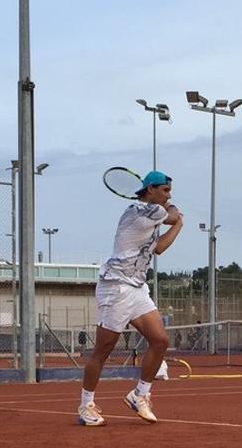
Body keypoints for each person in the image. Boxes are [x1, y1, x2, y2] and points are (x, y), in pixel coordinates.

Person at [78, 170, 183, 426]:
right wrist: (177, 218)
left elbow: (158, 247)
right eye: (165, 190)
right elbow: (171, 214)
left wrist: (178, 224)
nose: (169, 194)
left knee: (160, 340)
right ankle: (85, 405)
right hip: (115, 286)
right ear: (150, 190)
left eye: (170, 190)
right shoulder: (138, 211)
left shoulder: (152, 216)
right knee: (103, 349)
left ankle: (140, 395)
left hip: (136, 286)